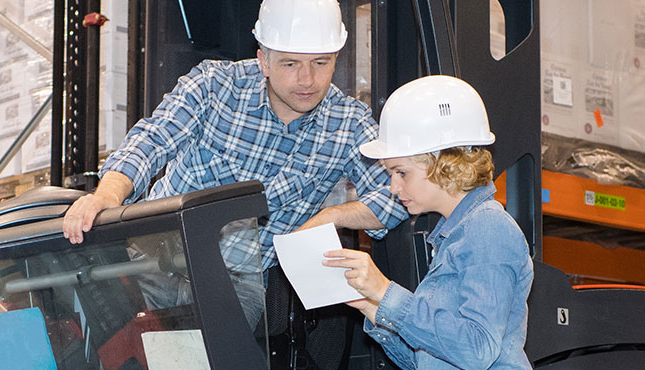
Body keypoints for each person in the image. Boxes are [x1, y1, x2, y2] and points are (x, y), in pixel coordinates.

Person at [60, 0, 408, 328]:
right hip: (150, 260)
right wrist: (106, 195)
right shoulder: (214, 86)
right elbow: (151, 141)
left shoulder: (347, 124)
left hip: (236, 286)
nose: (307, 80)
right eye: (290, 63)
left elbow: (399, 193)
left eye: (321, 63)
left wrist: (330, 217)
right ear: (263, 61)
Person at [323, 76, 533, 369]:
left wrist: (385, 292)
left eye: (401, 172)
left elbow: (477, 350)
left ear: (444, 162)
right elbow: (424, 361)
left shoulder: (488, 229)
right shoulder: (453, 236)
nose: (393, 187)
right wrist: (372, 307)